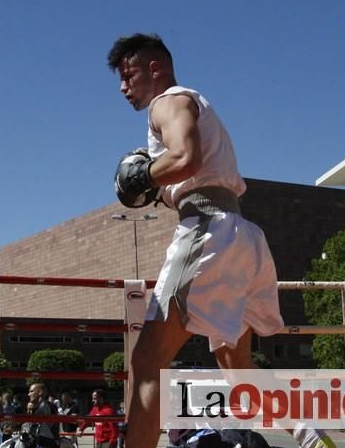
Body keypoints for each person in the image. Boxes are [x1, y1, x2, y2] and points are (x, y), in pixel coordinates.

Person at [107, 33, 333, 448]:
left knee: (146, 362)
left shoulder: (168, 101)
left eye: (128, 75)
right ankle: (309, 437)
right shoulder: (197, 103)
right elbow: (193, 170)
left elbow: (186, 158)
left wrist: (142, 175)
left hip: (209, 231)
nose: (123, 87)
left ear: (154, 68)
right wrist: (159, 185)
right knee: (236, 364)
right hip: (241, 236)